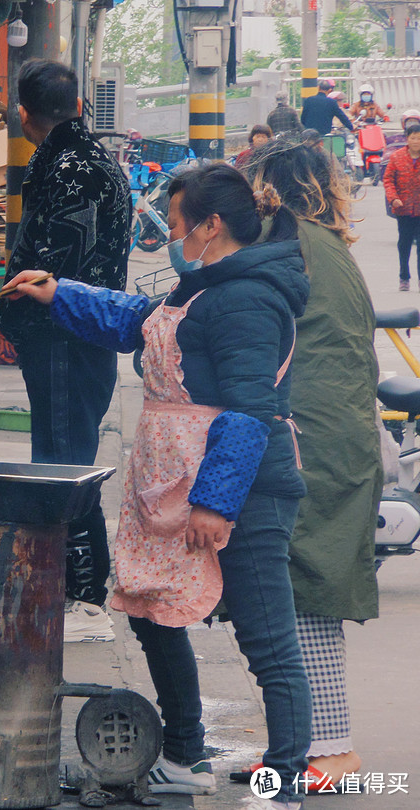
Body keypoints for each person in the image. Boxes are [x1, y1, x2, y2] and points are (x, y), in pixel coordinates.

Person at [4, 163, 311, 809]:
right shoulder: (199, 286)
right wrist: (58, 292)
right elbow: (136, 320)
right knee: (149, 608)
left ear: (211, 224)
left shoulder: (249, 298)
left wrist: (213, 502)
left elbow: (251, 412)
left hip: (240, 492)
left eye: (174, 224)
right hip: (171, 491)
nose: (168, 235)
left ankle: (283, 784)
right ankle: (185, 753)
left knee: (265, 640)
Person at [239, 137, 381, 790]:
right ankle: (301, 745)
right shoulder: (324, 241)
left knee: (302, 586)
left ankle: (332, 749)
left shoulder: (282, 237)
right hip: (339, 436)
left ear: (268, 187)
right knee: (297, 586)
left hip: (312, 439)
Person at [0, 59, 131, 644]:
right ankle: (76, 590)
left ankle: (85, 597)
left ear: (24, 113)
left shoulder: (69, 168)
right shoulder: (96, 160)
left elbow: (52, 265)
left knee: (63, 462)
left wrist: (16, 310)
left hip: (65, 337)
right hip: (83, 335)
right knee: (65, 455)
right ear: (78, 106)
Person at [382, 123, 420, 291]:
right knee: (404, 244)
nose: (417, 142)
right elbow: (388, 180)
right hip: (403, 209)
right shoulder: (397, 157)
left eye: (419, 138)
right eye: (413, 138)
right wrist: (393, 198)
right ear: (407, 139)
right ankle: (404, 276)